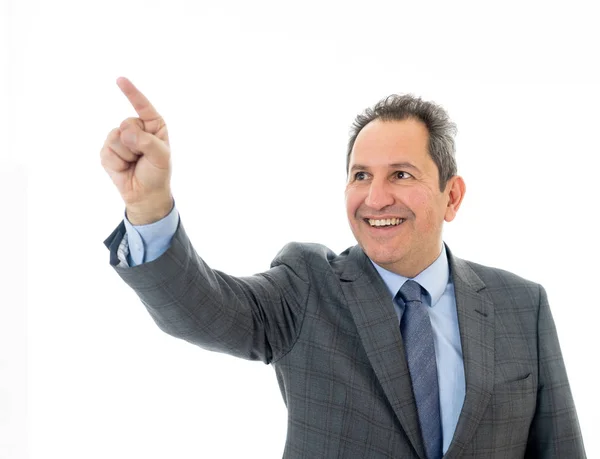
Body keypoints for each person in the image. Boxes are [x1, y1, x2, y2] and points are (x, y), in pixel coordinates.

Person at [101, 76, 586, 458]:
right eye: (360, 176)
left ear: (451, 196)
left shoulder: (523, 305)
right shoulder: (307, 285)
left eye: (400, 174)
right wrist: (151, 207)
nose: (375, 199)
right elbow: (203, 308)